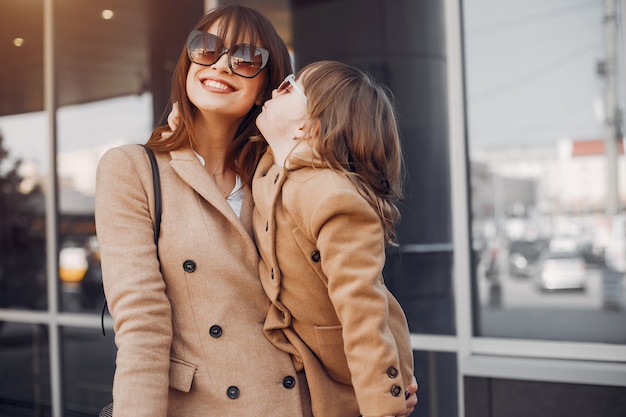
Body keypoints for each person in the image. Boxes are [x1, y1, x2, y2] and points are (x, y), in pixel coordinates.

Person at [96, 4, 417, 417]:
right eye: (206, 48)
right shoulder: (132, 169)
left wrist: (389, 379)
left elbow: (355, 288)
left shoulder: (284, 172)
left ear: (268, 85)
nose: (223, 64)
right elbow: (142, 324)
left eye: (247, 58)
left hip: (299, 402)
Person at [252, 61, 415, 417]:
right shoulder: (268, 171)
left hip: (350, 369)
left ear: (308, 127)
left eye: (290, 87)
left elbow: (363, 308)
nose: (277, 88)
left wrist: (384, 402)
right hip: (315, 364)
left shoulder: (331, 196)